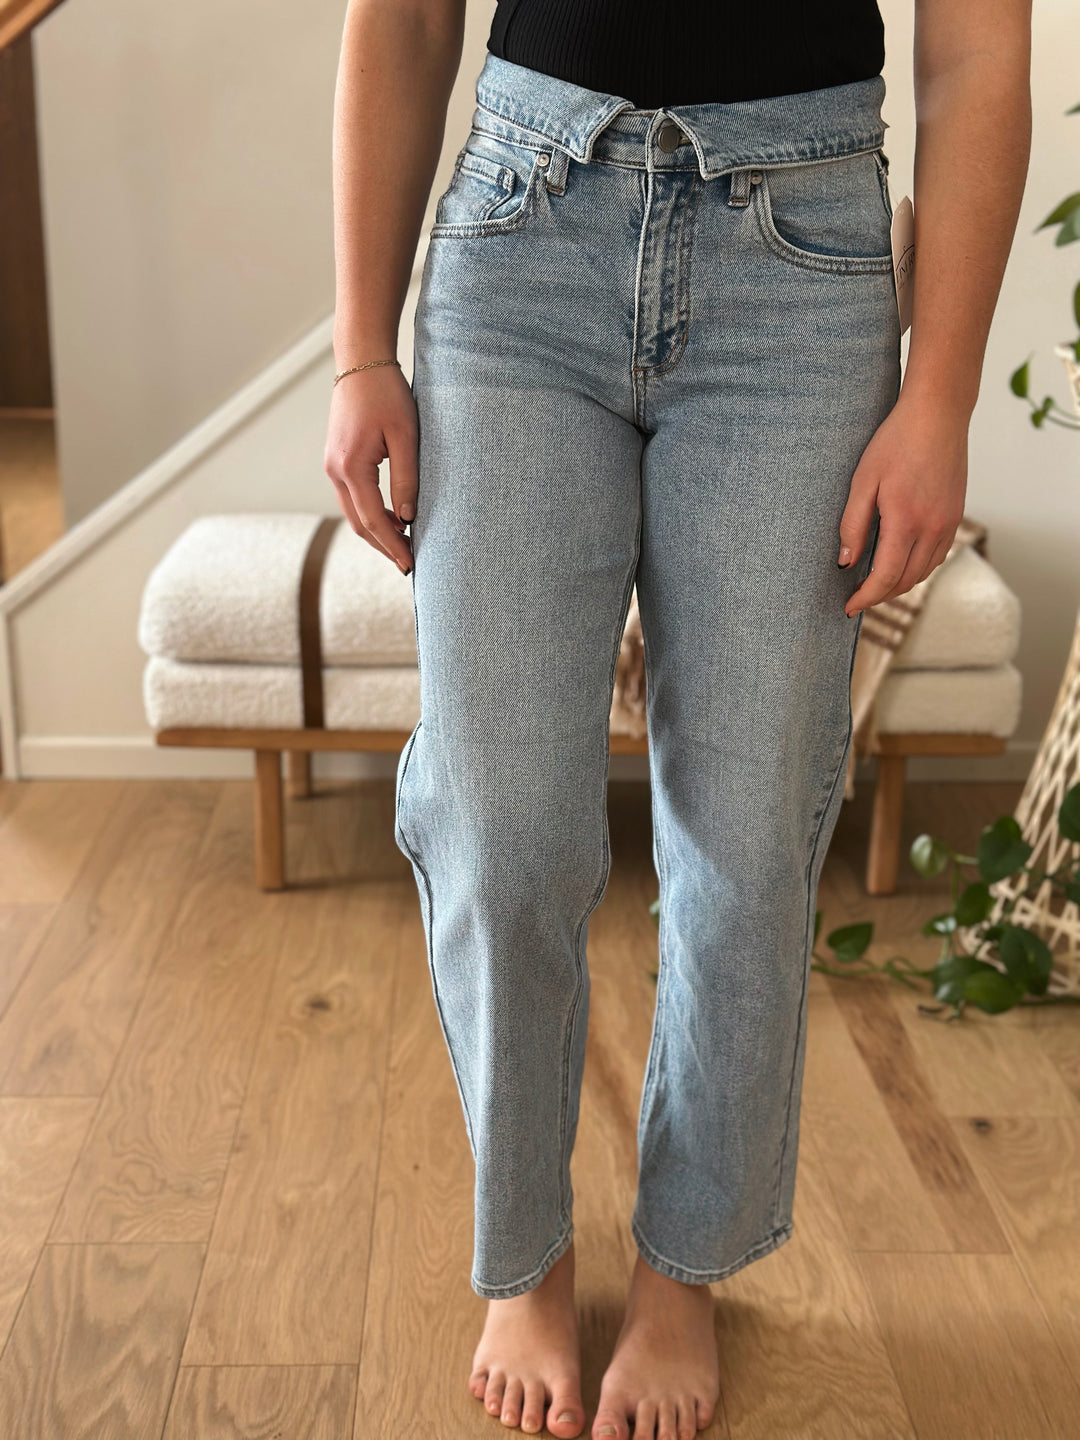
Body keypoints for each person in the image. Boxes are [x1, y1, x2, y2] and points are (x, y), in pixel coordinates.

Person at [324, 1, 1032, 1436]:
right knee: (502, 821)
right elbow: (402, 16)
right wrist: (358, 348)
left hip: (807, 261)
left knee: (750, 833)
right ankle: (523, 1250)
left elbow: (977, 52)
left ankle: (685, 1268)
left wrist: (943, 393)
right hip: (523, 235)